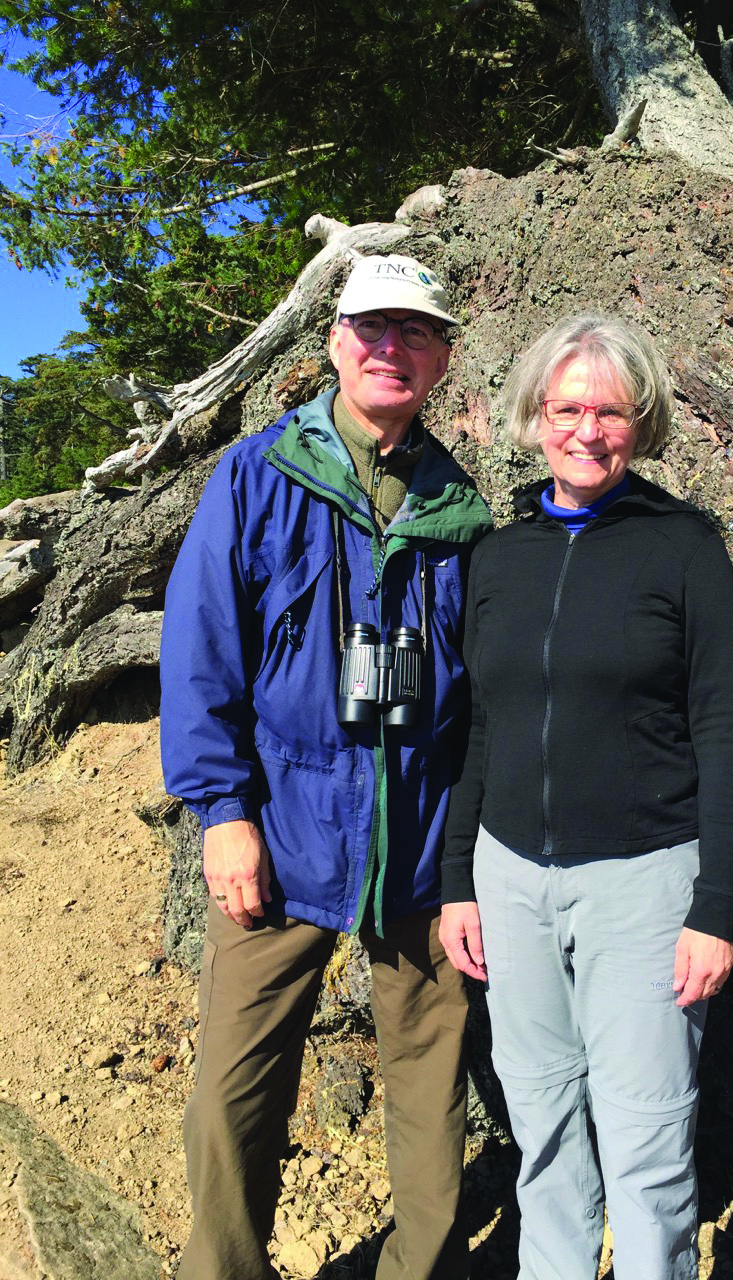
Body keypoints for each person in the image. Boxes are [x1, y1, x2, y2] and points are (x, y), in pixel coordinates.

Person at [160, 252, 493, 1280]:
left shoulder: (465, 510)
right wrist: (222, 811)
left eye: (415, 333)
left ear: (441, 358)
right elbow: (202, 648)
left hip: (422, 849)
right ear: (335, 343)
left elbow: (483, 695)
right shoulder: (259, 475)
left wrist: (465, 868)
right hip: (281, 836)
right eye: (371, 329)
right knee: (232, 1087)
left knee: (431, 1095)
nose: (391, 348)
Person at [439, 313, 733, 1280]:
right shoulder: (497, 557)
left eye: (610, 412)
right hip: (511, 880)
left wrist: (716, 908)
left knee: (647, 1128)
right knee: (538, 1112)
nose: (587, 430)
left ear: (640, 422)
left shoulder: (686, 548)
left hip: (647, 886)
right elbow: (481, 726)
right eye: (568, 407)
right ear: (535, 416)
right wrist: (460, 879)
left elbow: (725, 731)